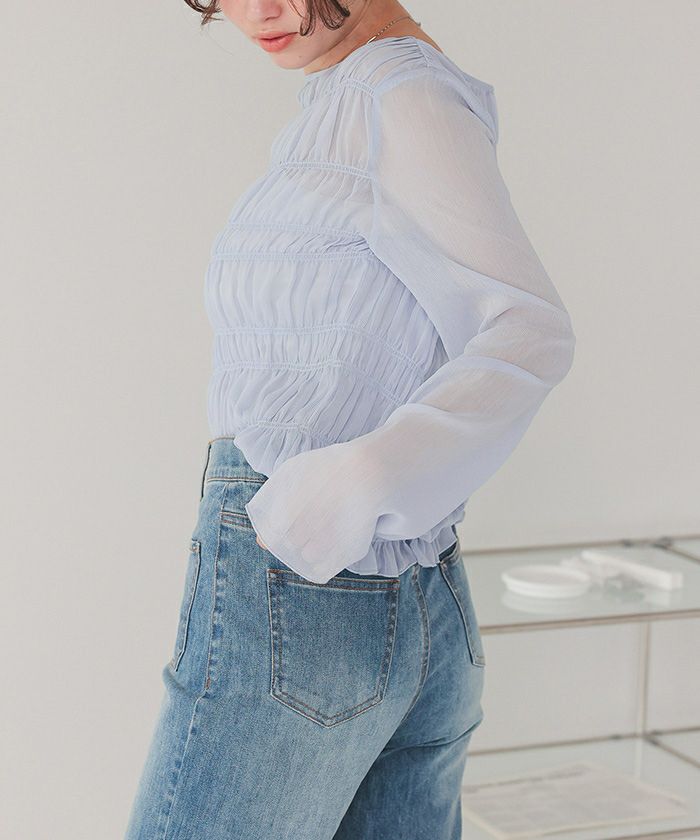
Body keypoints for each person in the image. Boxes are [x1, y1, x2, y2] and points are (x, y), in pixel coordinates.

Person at [124, 1, 576, 838]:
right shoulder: (352, 100)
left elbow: (528, 329)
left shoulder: (396, 97)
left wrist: (346, 487)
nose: (257, 11)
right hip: (380, 590)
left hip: (304, 587)